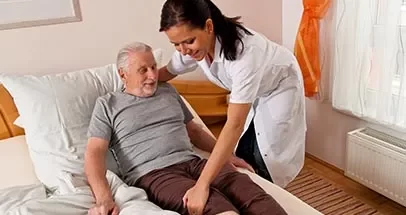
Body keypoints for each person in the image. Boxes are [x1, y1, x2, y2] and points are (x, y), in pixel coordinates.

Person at [84, 42, 287, 215]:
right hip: (155, 174)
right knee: (213, 205)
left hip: (193, 163)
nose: (153, 75)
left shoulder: (168, 91)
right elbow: (95, 152)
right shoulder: (107, 105)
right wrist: (103, 198)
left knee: (248, 191)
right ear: (122, 74)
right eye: (143, 70)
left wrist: (226, 155)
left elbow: (195, 131)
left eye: (154, 67)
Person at [158, 0, 307, 213]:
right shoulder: (192, 47)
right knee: (243, 153)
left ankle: (267, 199)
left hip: (279, 87)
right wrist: (136, 80)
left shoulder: (246, 52)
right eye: (176, 44)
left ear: (208, 26)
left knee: (265, 157)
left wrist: (202, 185)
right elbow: (168, 71)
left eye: (188, 41)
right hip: (253, 92)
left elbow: (234, 124)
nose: (183, 51)